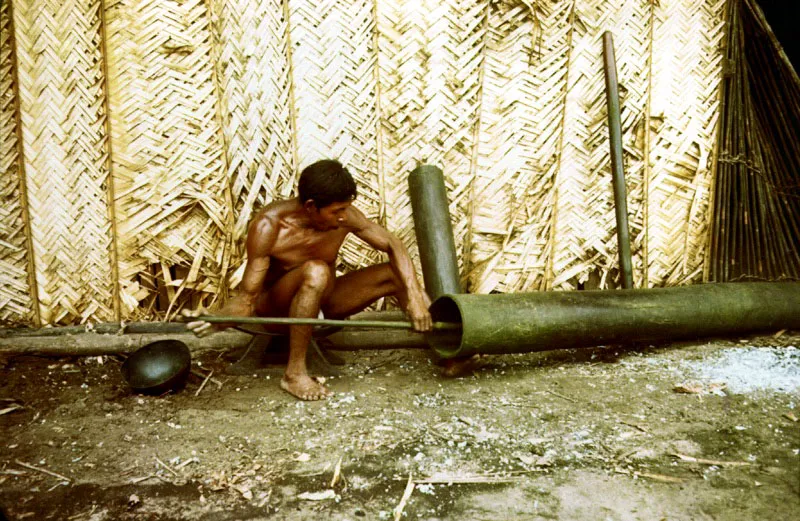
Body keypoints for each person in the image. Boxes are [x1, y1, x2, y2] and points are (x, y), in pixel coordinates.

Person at [184, 159, 436, 401]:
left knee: (395, 273)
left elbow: (393, 243)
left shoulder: (345, 216)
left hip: (324, 301)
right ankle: (294, 374)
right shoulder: (269, 226)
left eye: (345, 209)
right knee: (316, 270)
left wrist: (414, 296)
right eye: (336, 211)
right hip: (277, 310)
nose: (343, 217)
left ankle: (448, 353)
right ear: (311, 206)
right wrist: (220, 320)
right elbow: (247, 300)